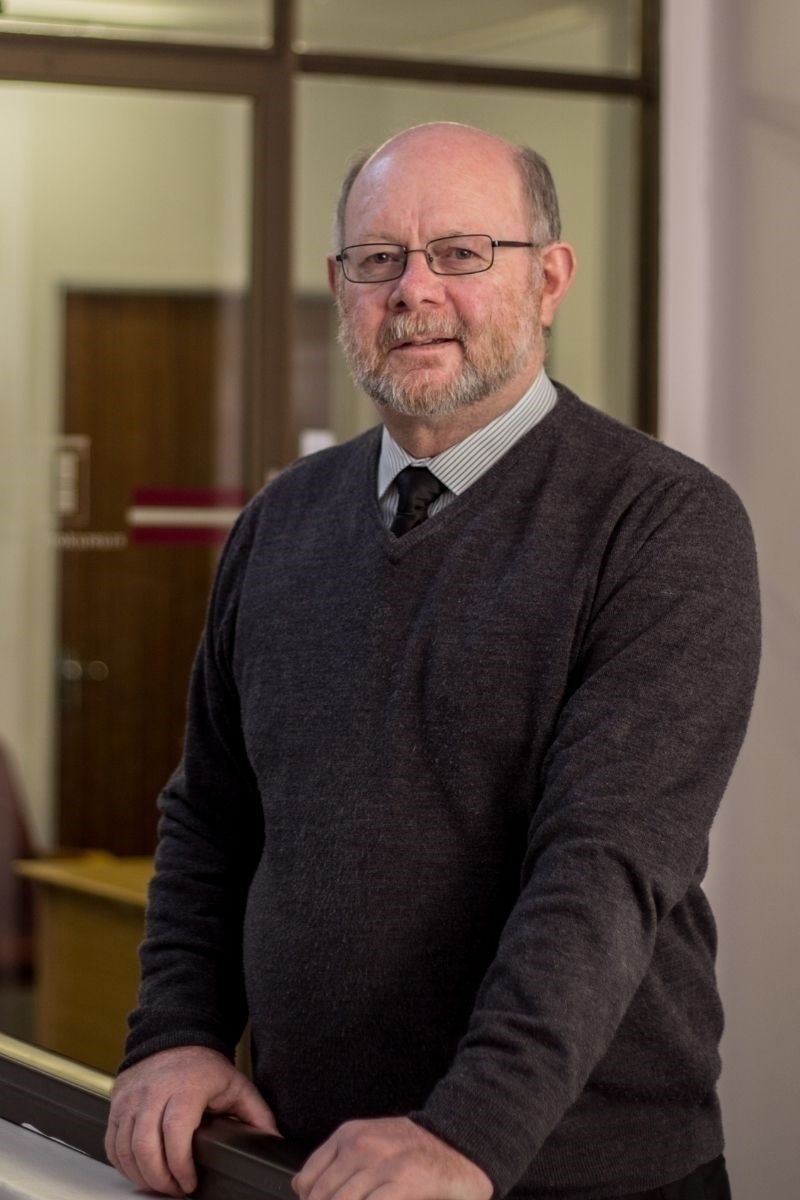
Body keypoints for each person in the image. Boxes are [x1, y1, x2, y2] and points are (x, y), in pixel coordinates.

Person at [105, 123, 760, 1200]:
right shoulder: (279, 522)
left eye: (461, 252)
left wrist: (467, 1132)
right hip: (303, 1157)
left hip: (566, 1173)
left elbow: (600, 865)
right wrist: (177, 1031)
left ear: (549, 279)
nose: (413, 290)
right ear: (340, 287)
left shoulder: (660, 525)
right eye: (378, 258)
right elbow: (212, 816)